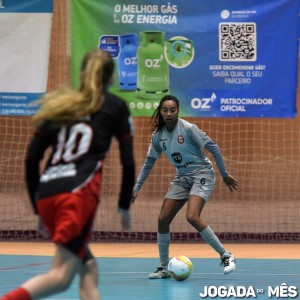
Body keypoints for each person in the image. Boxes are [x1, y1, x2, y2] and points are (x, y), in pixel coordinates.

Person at [1, 50, 135, 299]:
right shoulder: (115, 106)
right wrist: (124, 205)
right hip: (77, 196)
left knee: (89, 266)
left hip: (47, 193)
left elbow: (31, 160)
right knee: (61, 278)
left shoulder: (62, 105)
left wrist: (36, 208)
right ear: (112, 77)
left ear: (82, 73)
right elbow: (128, 163)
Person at [132, 95, 238, 279]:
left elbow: (214, 148)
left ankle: (226, 255)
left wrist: (225, 174)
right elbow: (148, 164)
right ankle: (164, 267)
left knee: (192, 216)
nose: (169, 113)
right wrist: (136, 188)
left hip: (202, 174)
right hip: (182, 176)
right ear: (161, 112)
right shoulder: (158, 136)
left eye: (173, 110)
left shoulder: (189, 129)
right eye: (165, 110)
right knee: (163, 219)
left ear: (178, 111)